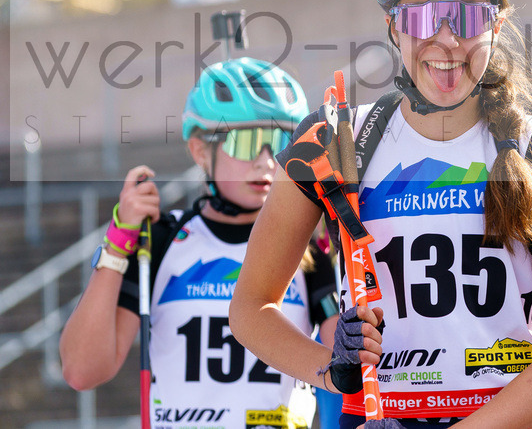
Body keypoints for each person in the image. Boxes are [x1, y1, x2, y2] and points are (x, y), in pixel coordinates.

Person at [230, 0, 532, 429]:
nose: (446, 42)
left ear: (496, 26)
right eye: (423, 18)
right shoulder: (333, 140)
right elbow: (251, 308)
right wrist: (333, 371)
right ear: (393, 27)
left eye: (467, 18)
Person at [60, 58, 340, 429]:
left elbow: (346, 368)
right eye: (245, 141)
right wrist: (117, 243)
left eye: (279, 142)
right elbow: (82, 370)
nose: (266, 162)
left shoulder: (308, 250)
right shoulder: (162, 240)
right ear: (199, 150)